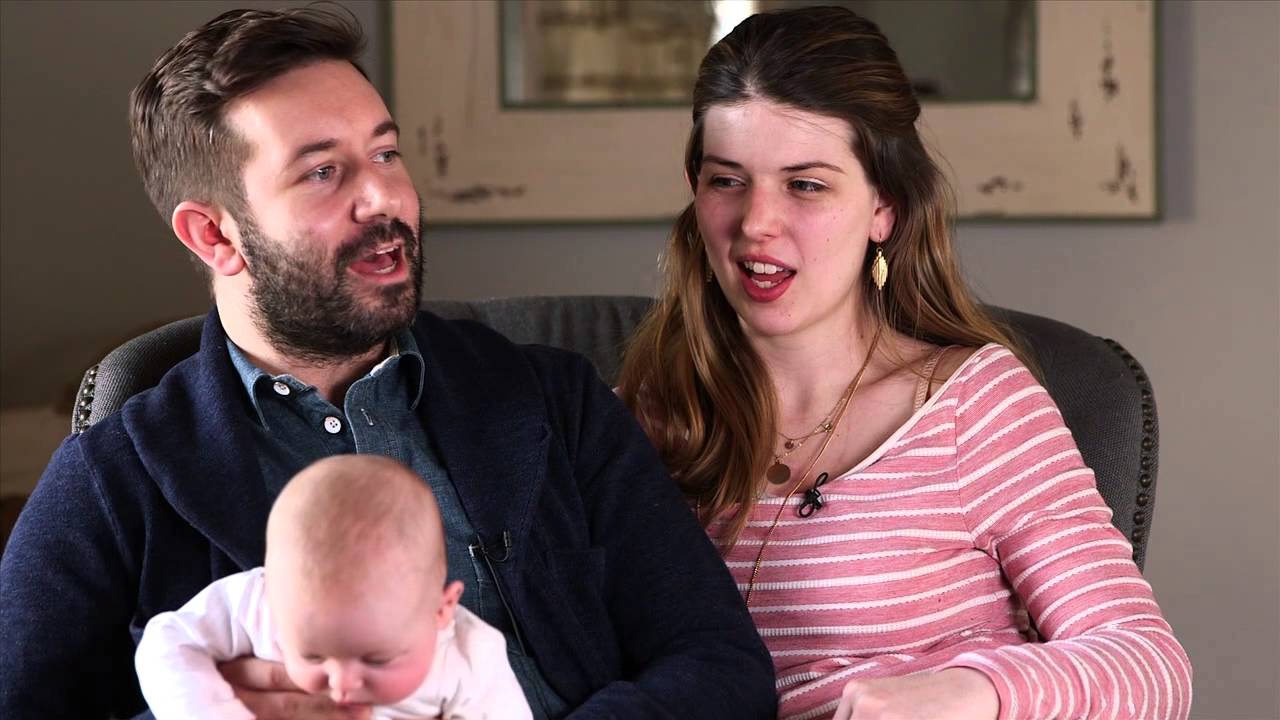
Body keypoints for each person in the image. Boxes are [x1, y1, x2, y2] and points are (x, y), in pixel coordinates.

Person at [0, 7, 777, 720]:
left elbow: (721, 666)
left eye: (386, 152)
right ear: (213, 234)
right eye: (322, 172)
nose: (385, 197)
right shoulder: (113, 480)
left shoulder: (555, 401)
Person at [616, 6, 1192, 720]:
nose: (756, 223)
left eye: (806, 185)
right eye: (727, 181)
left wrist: (972, 691)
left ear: (883, 207)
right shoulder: (639, 416)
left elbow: (1148, 665)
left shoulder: (973, 407)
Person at [136, 455, 532, 720]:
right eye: (312, 656)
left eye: (376, 660)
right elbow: (168, 641)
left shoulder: (471, 654)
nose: (341, 685)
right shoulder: (259, 602)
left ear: (441, 611)